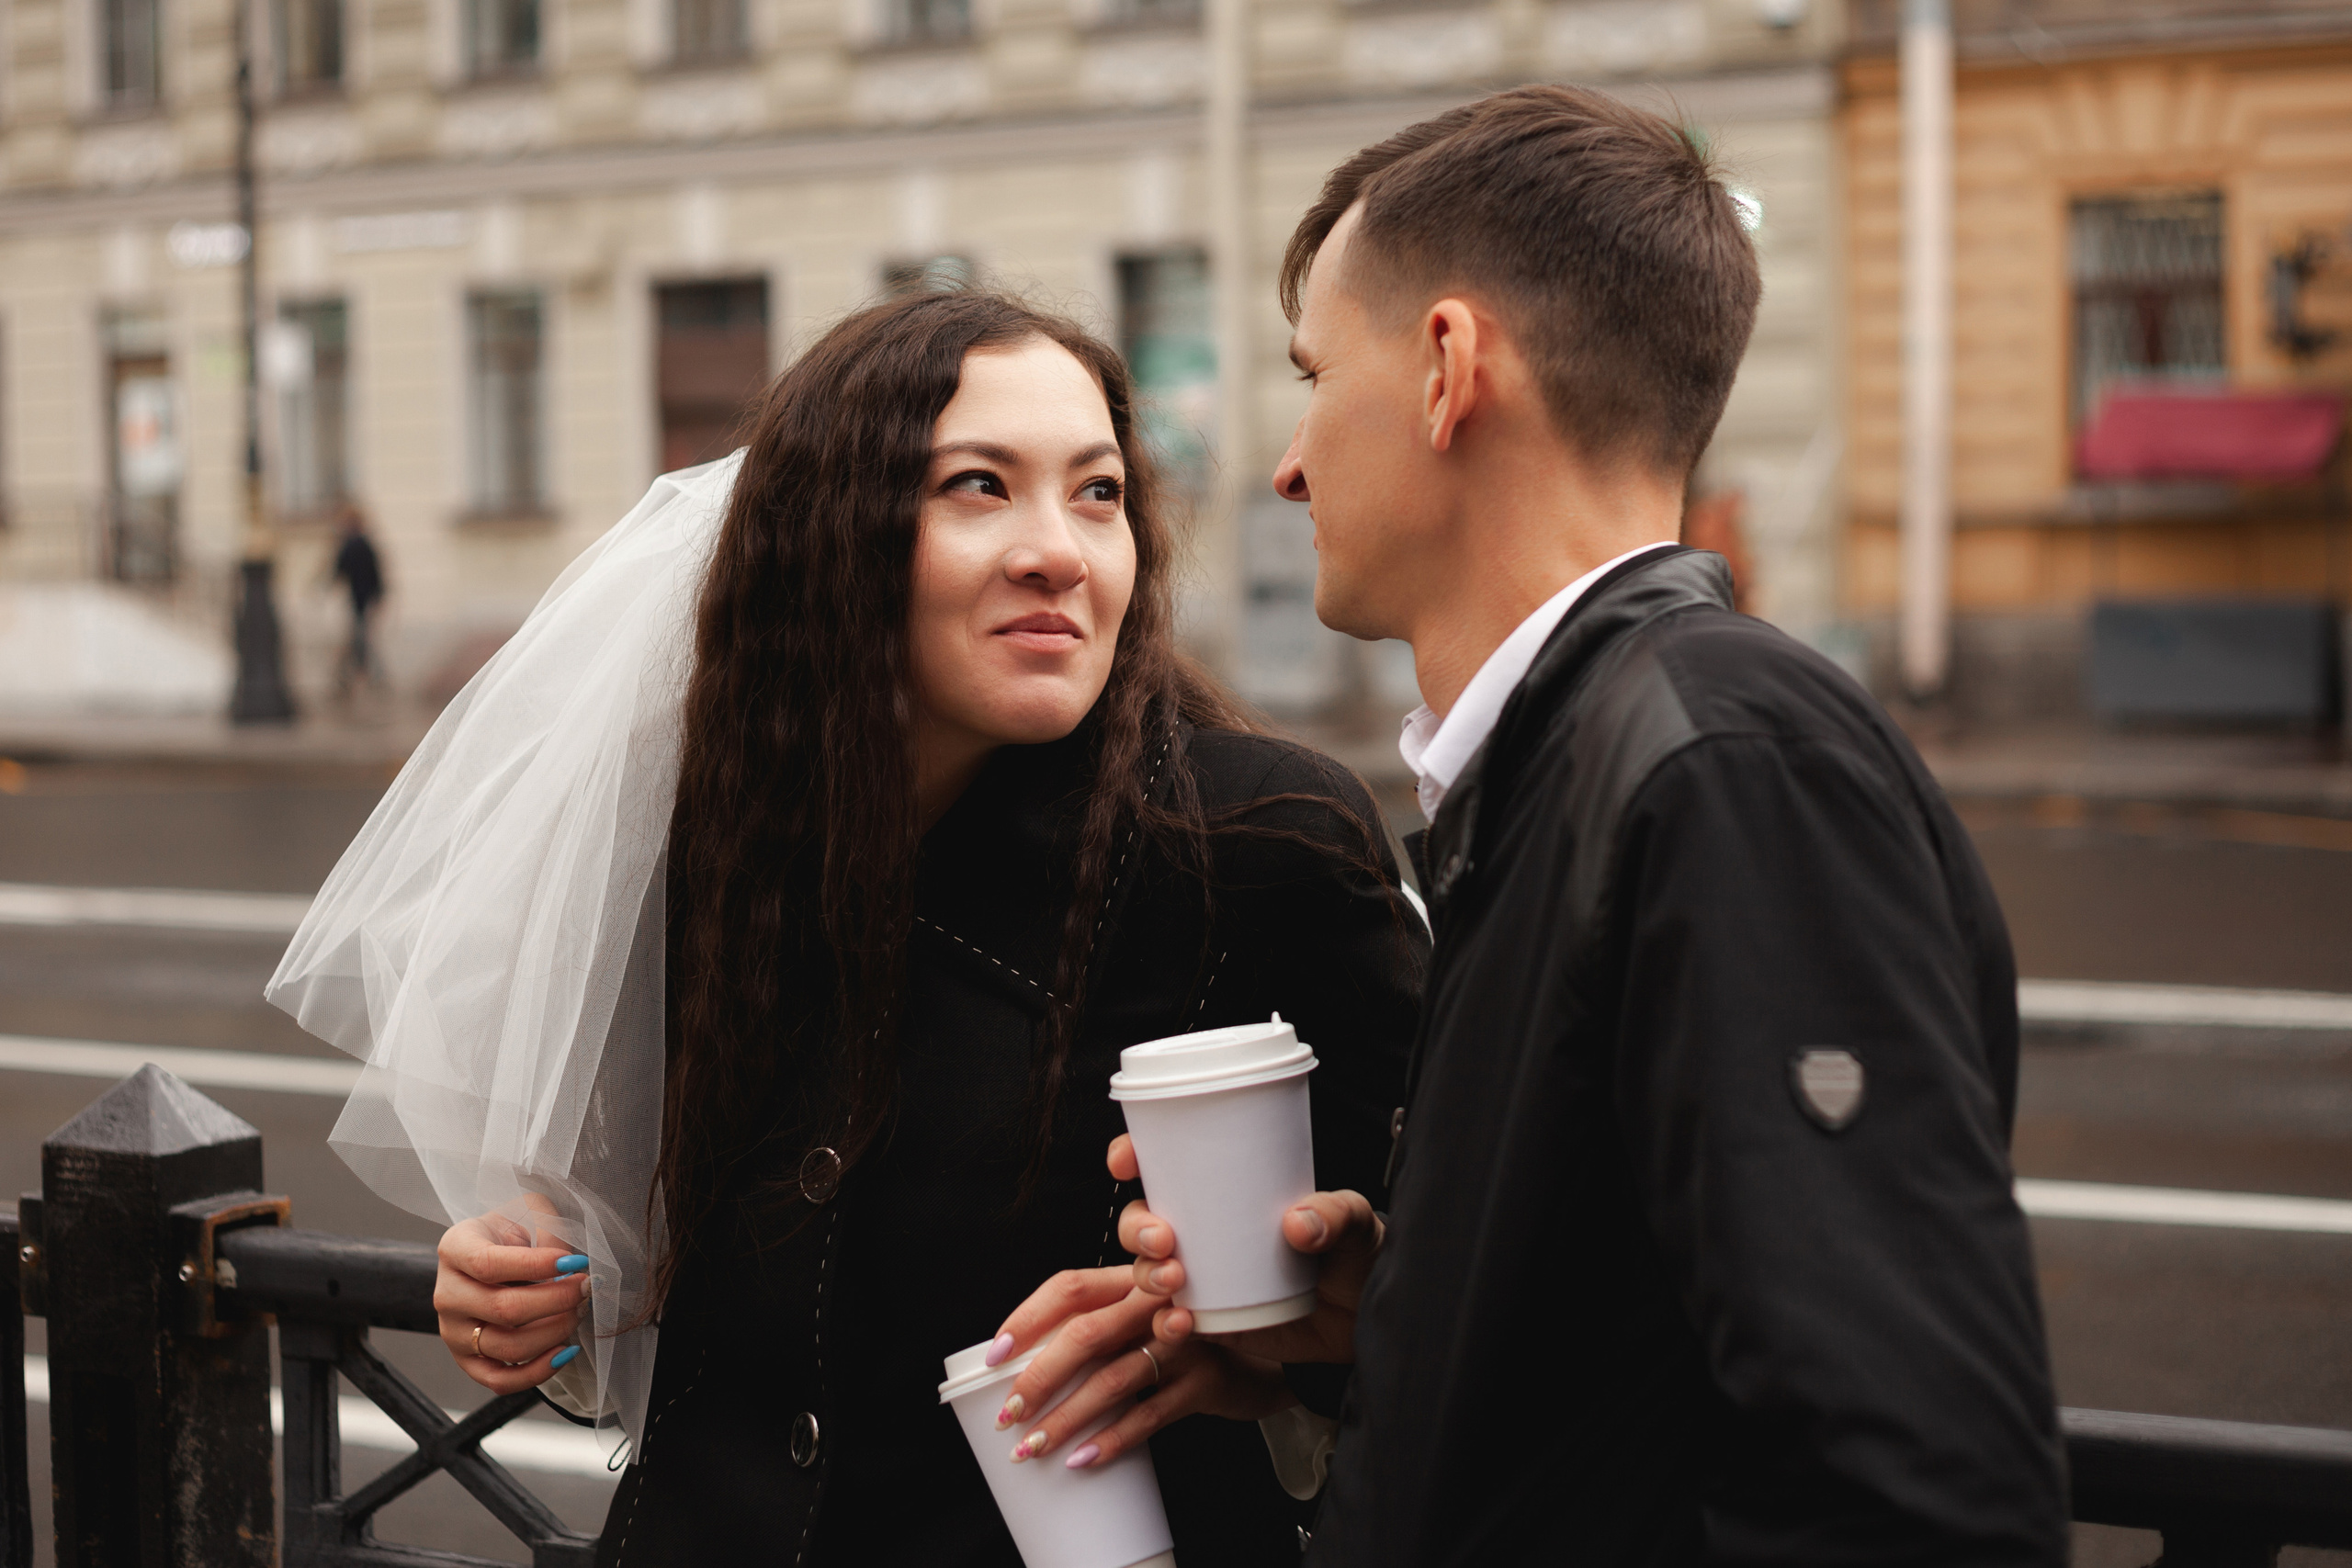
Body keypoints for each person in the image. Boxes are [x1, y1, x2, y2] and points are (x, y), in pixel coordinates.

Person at [992, 86, 2071, 1564]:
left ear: (1446, 367)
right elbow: (1646, 1373)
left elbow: (1900, 1484)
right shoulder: (1580, 759)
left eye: (1313, 375)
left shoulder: (1724, 763)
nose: (1289, 462)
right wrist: (1394, 1320)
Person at [267, 290, 1423, 1567]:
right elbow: (661, 1301)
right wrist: (531, 1299)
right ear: (833, 536)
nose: (1059, 549)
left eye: (1097, 493)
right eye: (979, 485)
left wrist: (1285, 1345)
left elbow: (1469, 1317)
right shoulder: (708, 842)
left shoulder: (1258, 842)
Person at [329, 502, 386, 691]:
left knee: (359, 640)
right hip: (366, 599)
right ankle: (354, 676)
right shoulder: (365, 543)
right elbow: (377, 574)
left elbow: (339, 571)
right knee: (361, 639)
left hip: (360, 600)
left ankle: (352, 677)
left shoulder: (351, 544)